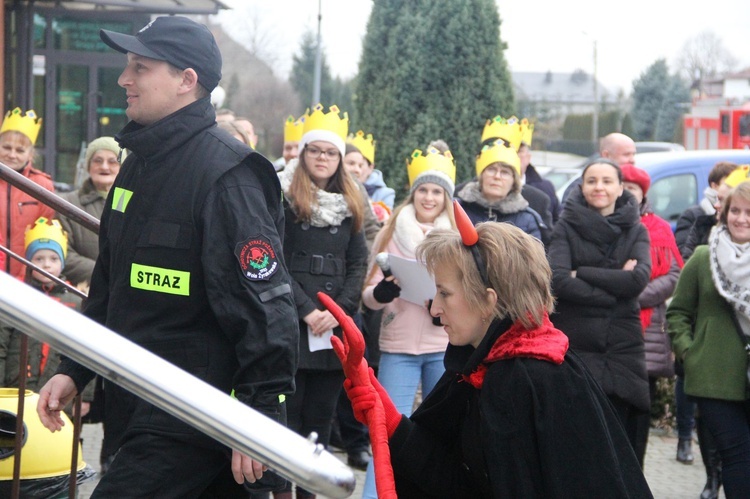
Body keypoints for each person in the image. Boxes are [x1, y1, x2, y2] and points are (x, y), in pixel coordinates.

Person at [36, 16, 299, 497]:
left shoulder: (228, 176)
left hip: (192, 413)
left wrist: (262, 423)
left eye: (140, 67)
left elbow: (267, 312)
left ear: (186, 80)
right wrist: (75, 369)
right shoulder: (136, 167)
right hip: (131, 403)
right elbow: (109, 287)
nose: (124, 79)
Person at [326, 204, 653, 498]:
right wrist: (390, 421)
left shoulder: (530, 378)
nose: (435, 308)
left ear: (488, 300)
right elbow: (457, 480)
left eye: (444, 293)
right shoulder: (480, 364)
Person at [275, 103, 368, 499]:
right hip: (292, 325)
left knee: (321, 420)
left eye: (330, 152)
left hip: (332, 330)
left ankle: (310, 491)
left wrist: (338, 311)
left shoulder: (352, 203)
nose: (323, 158)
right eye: (316, 150)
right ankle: (280, 491)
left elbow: (358, 262)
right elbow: (273, 260)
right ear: (303, 153)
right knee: (288, 419)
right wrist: (307, 310)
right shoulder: (281, 198)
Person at [358, 146, 456, 498]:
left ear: (447, 198)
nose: (429, 198)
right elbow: (367, 293)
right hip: (398, 342)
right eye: (423, 190)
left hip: (443, 345)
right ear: (413, 192)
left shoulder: (458, 237)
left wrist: (446, 303)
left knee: (440, 435)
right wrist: (381, 294)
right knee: (385, 431)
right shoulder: (391, 229)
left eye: (437, 191)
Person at [548, 158, 651, 458]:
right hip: (576, 339)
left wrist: (583, 272)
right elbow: (557, 280)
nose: (599, 187)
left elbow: (638, 280)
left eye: (607, 181)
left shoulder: (636, 229)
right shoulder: (565, 225)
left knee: (621, 438)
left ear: (621, 187)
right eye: (592, 181)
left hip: (622, 345)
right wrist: (616, 286)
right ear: (581, 187)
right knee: (578, 439)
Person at [667, 178, 750, 499]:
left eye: (748, 212)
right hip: (714, 376)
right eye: (736, 211)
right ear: (724, 213)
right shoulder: (703, 257)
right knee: (737, 453)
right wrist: (691, 353)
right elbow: (678, 313)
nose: (741, 219)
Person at [620, 164, 684, 468]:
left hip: (645, 333)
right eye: (621, 185)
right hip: (605, 332)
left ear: (642, 193)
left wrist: (630, 293)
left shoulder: (658, 227)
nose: (625, 193)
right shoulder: (598, 223)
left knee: (638, 410)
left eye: (632, 188)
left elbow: (673, 273)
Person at [56, 136, 125, 289]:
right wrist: (104, 274)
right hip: (84, 292)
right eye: (97, 161)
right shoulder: (67, 204)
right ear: (88, 166)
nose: (104, 167)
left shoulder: (136, 204)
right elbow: (61, 253)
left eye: (112, 161)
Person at [476, 116, 553, 237]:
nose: (497, 176)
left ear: (528, 157)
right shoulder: (462, 198)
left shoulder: (541, 197)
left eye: (517, 149)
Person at [0, 107, 55, 276]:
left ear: (30, 154)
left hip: (27, 278)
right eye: (6, 147)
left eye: (20, 150)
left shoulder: (42, 186)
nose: (12, 155)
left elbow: (44, 236)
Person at [456, 138, 545, 241]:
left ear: (513, 181)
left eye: (505, 172)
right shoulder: (459, 209)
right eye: (491, 169)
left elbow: (533, 256)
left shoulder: (527, 220)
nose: (497, 176)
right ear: (481, 176)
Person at [561, 132, 637, 204]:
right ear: (606, 155)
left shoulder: (635, 185)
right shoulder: (577, 189)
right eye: (626, 155)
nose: (632, 160)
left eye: (633, 154)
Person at [517, 119, 561, 222]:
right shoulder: (483, 187)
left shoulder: (545, 188)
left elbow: (557, 223)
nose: (514, 156)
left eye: (519, 151)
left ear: (528, 157)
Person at [346, 130, 395, 211]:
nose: (357, 170)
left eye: (361, 165)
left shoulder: (385, 194)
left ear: (370, 168)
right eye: (351, 163)